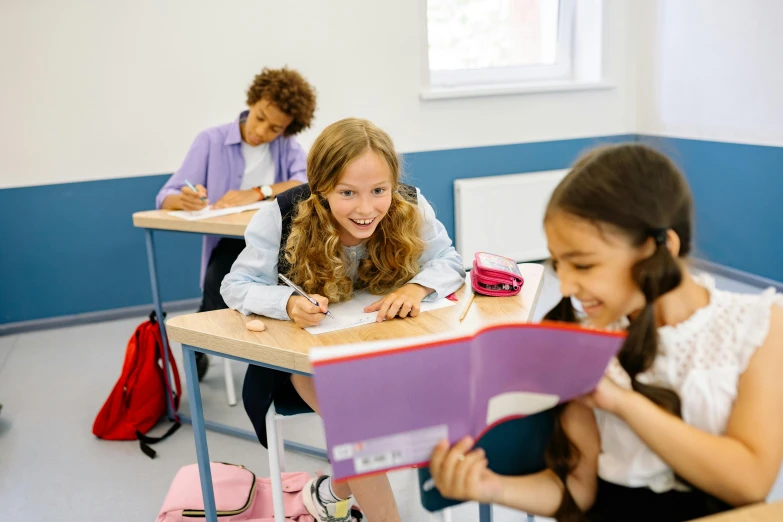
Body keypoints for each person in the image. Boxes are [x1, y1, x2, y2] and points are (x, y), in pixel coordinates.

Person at [430, 144, 783, 522]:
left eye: (583, 264)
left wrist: (623, 403)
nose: (564, 286)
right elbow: (579, 492)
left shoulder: (758, 323)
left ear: (657, 248)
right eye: (558, 263)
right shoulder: (582, 338)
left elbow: (750, 483)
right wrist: (488, 487)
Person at [221, 118, 466, 521]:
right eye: (347, 193)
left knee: (397, 423)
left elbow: (448, 260)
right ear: (321, 188)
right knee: (363, 434)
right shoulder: (281, 215)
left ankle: (329, 494)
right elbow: (236, 285)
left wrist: (416, 288)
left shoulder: (409, 203)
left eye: (379, 191)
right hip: (308, 360)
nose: (366, 209)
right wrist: (286, 303)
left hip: (383, 348)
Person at [156, 67, 316, 379]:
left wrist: (257, 192)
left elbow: (306, 183)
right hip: (230, 242)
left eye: (275, 128)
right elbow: (166, 196)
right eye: (259, 117)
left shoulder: (287, 146)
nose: (262, 131)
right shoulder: (210, 141)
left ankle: (282, 358)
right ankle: (201, 343)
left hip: (279, 244)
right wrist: (185, 199)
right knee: (221, 277)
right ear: (253, 101)